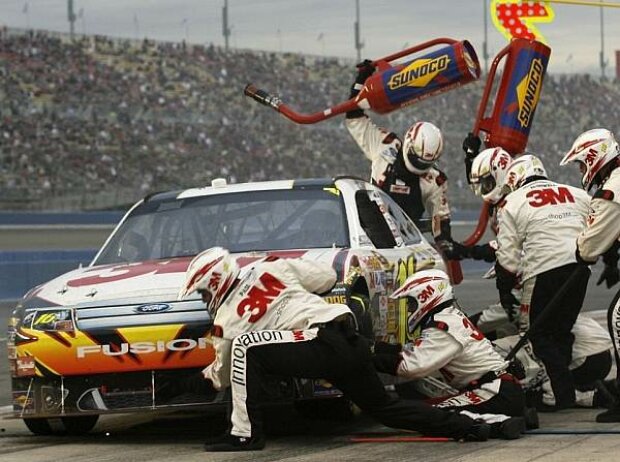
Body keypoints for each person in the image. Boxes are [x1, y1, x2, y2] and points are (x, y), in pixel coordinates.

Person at [176, 247, 500, 452]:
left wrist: (181, 385)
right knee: (386, 408)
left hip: (320, 344)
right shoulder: (269, 266)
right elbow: (327, 276)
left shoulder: (226, 319)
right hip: (348, 336)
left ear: (215, 283)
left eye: (204, 294)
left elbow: (221, 375)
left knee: (245, 347)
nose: (206, 301)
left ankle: (245, 434)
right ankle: (471, 427)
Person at [372, 269, 526, 431]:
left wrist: (369, 359)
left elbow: (410, 367)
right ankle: (517, 415)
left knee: (428, 414)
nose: (410, 309)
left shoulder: (442, 327)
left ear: (425, 297)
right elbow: (412, 351)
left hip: (494, 392)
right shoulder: (448, 318)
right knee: (426, 408)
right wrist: (375, 347)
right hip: (500, 389)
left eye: (411, 303)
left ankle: (498, 423)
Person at [494, 154, 591, 411]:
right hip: (580, 269)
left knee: (537, 334)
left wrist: (504, 290)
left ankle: (557, 395)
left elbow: (508, 260)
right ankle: (565, 390)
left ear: (514, 177)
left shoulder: (511, 202)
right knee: (561, 330)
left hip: (543, 270)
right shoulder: (576, 194)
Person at [345, 60, 457, 258]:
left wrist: (445, 243)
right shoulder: (385, 145)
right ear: (408, 144)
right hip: (367, 235)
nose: (420, 166)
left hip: (405, 243)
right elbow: (354, 116)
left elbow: (440, 218)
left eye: (425, 162)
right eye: (418, 159)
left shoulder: (434, 180)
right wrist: (362, 79)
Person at [560, 127, 620, 422]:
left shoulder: (612, 189)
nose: (583, 170)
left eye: (583, 163)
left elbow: (588, 247)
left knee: (619, 316)